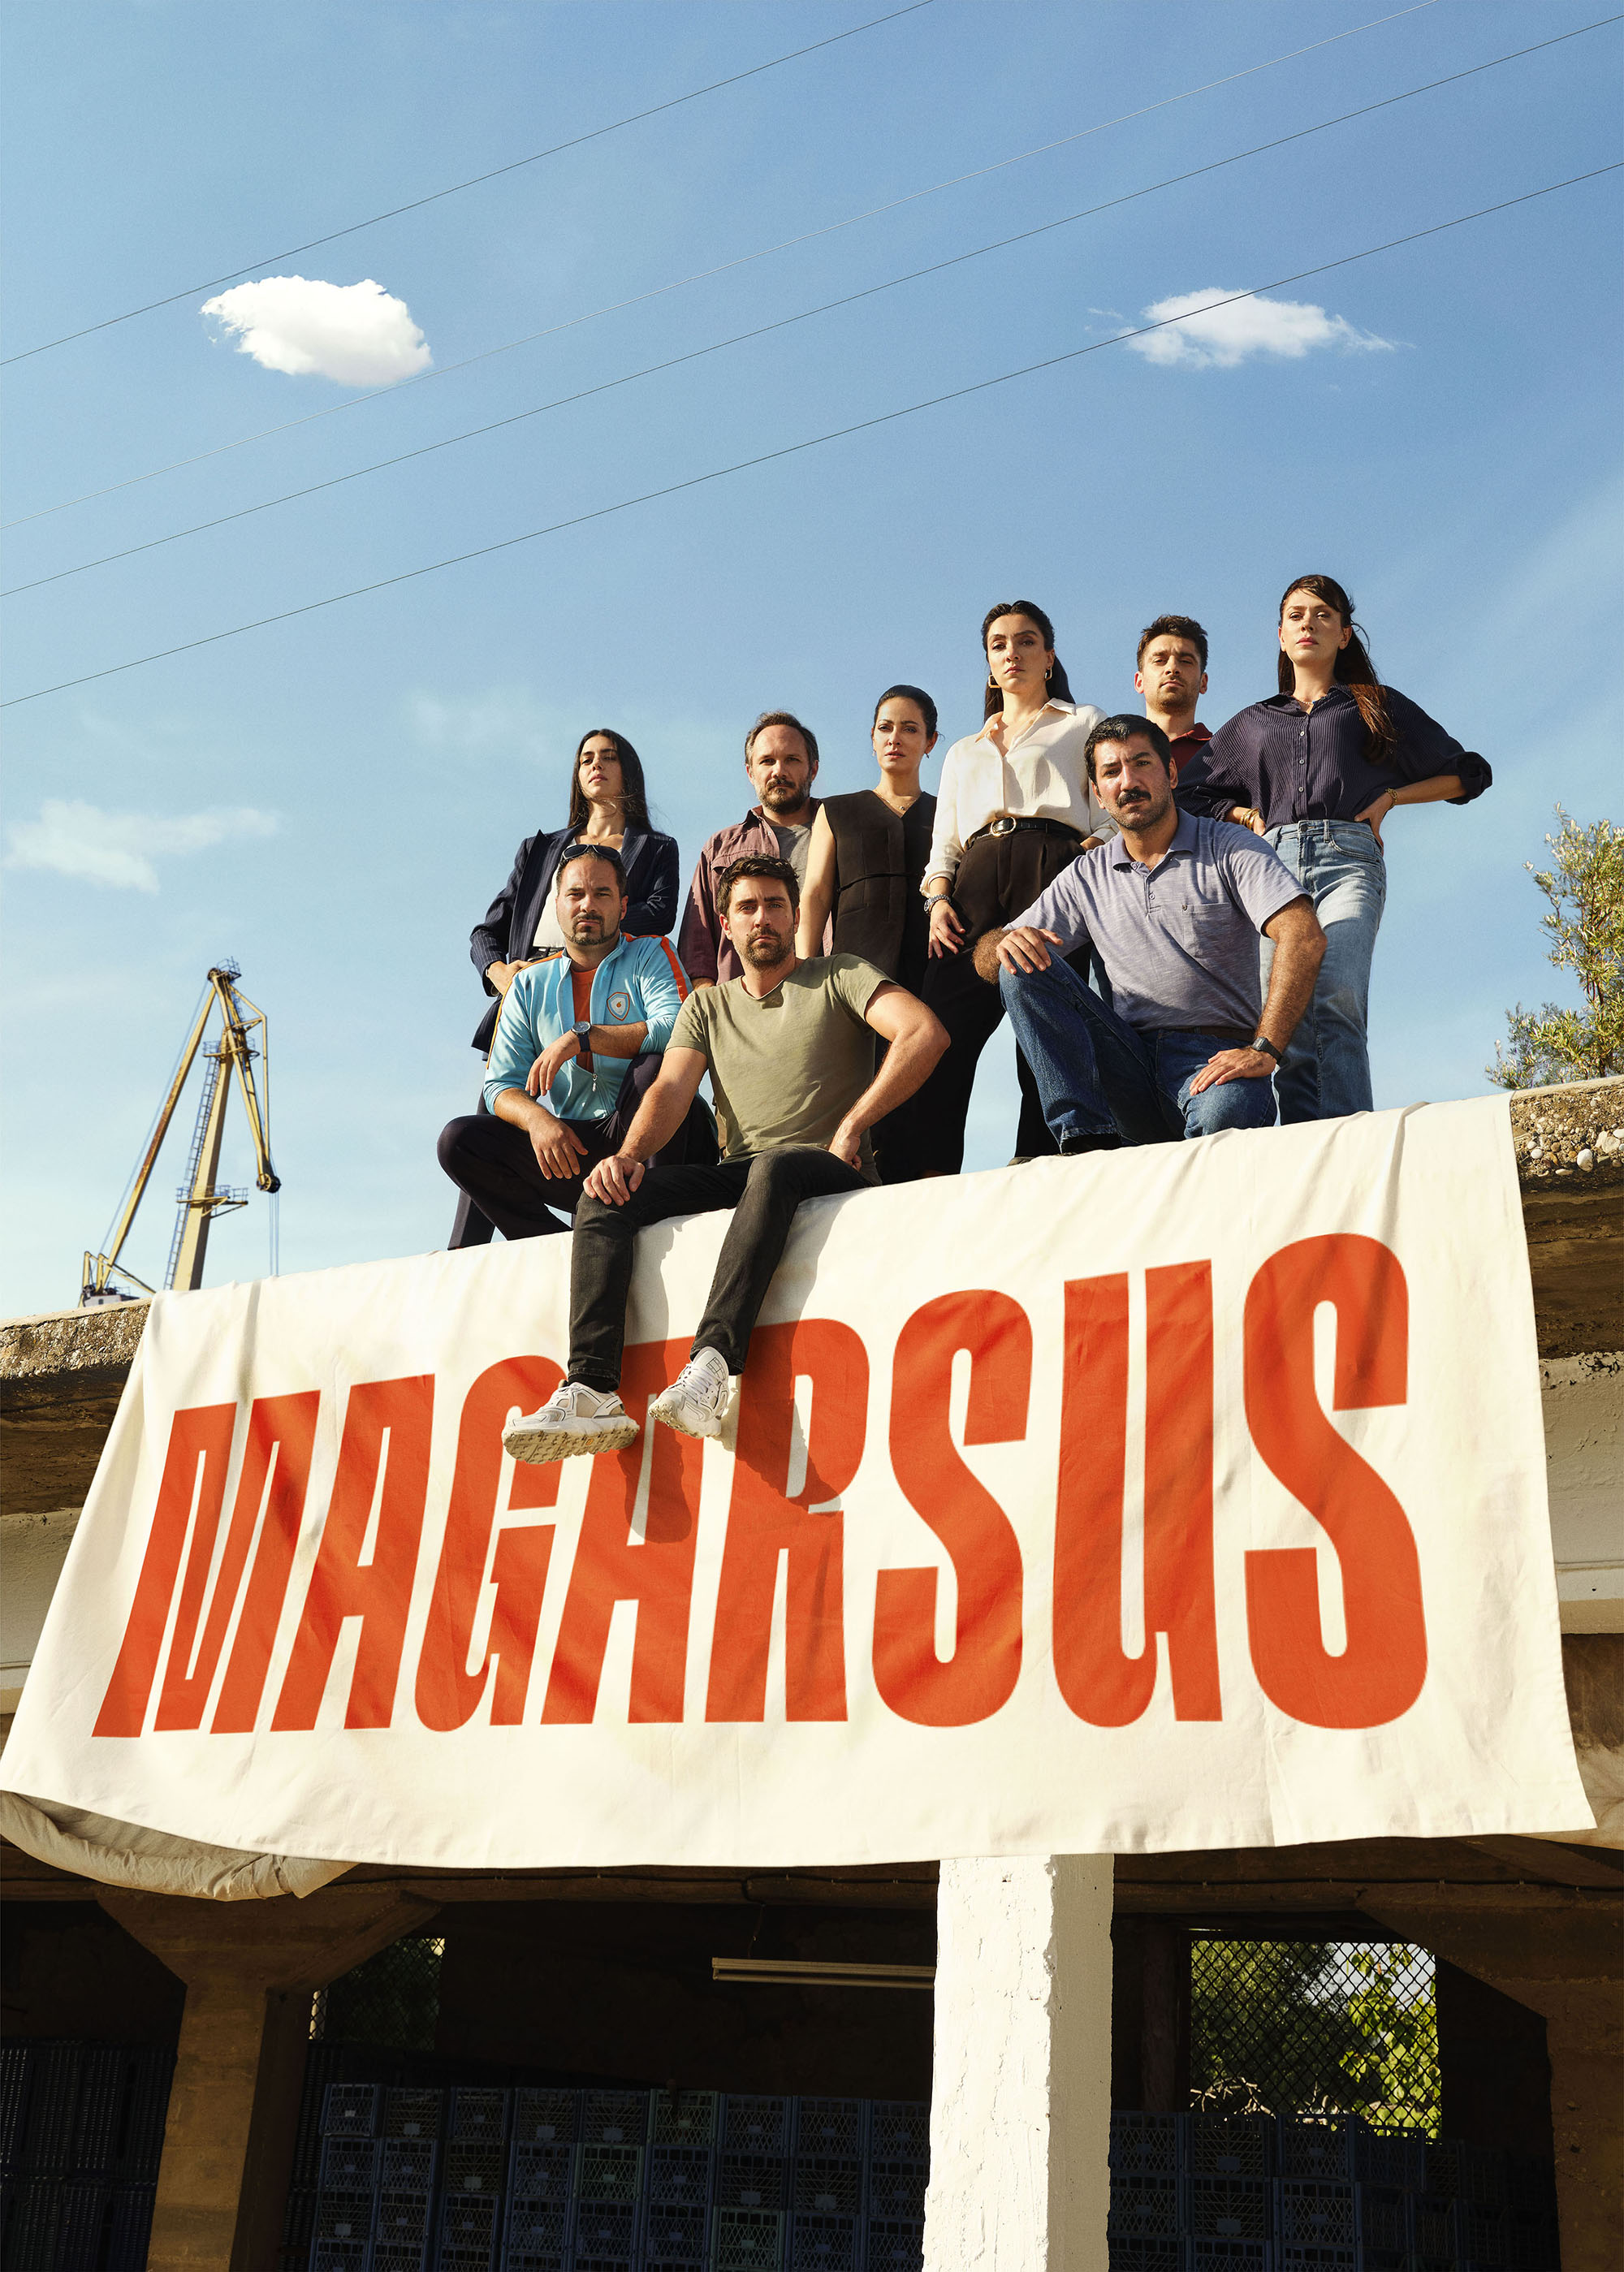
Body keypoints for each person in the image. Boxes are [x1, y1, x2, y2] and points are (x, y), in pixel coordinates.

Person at [502, 854, 947, 1463]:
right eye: (747, 907)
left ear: (796, 918)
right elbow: (670, 1089)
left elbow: (924, 1032)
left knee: (776, 1165)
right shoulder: (706, 1007)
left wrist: (853, 1126)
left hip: (826, 1164)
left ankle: (711, 1367)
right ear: (727, 925)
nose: (762, 918)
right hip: (742, 1172)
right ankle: (592, 1389)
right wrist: (628, 1156)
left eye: (775, 905)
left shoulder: (840, 974)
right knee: (603, 1195)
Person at [1175, 573, 1491, 1122]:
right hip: (1272, 870)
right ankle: (1307, 1143)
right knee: (1287, 1015)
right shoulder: (1252, 723)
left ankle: (1348, 1140)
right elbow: (1188, 793)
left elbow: (1469, 773)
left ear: (1344, 634)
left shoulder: (1375, 706)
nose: (1309, 624)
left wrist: (1392, 796)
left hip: (1349, 862)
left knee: (1337, 996)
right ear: (1280, 634)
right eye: (1296, 615)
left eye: (1323, 614)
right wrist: (1243, 815)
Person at [980, 715, 1325, 1150]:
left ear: (1172, 774)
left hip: (1215, 1058)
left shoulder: (1230, 846)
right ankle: (1086, 1143)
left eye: (1141, 763)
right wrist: (1001, 943)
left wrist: (1265, 1049)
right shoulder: (1087, 874)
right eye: (1111, 772)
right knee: (1017, 961)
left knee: (1226, 1114)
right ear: (1098, 794)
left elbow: (1303, 935)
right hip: (1125, 1062)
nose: (1128, 781)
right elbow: (988, 961)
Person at [454, 729, 680, 1246]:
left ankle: (632, 1208)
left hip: (615, 978)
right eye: (585, 759)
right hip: (532, 992)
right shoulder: (540, 850)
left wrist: (586, 937)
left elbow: (659, 913)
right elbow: (487, 931)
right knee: (495, 1111)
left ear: (628, 770)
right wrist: (501, 974)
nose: (596, 765)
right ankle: (472, 1250)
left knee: (652, 1071)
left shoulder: (653, 848)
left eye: (608, 757)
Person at [909, 602, 1111, 1173]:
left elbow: (1109, 818)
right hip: (973, 881)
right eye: (998, 644)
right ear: (989, 664)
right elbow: (945, 843)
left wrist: (1081, 863)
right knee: (942, 1026)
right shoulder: (963, 750)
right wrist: (938, 898)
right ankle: (927, 1169)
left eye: (1026, 641)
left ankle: (1040, 1155)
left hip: (1055, 868)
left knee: (1042, 1012)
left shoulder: (1083, 722)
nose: (1012, 653)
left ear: (1049, 656)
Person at [438, 844, 711, 1239]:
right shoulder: (529, 984)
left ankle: (657, 1224)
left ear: (623, 906)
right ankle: (556, 1246)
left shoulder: (652, 953)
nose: (588, 905)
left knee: (654, 1065)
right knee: (459, 1141)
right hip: (577, 1149)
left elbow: (679, 1029)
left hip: (660, 1140)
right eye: (576, 894)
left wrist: (583, 1038)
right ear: (556, 906)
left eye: (602, 894)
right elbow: (499, 1085)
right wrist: (538, 1121)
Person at [794, 684, 939, 1182]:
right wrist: (805, 969)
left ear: (930, 742)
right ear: (872, 738)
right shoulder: (837, 810)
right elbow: (815, 892)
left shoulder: (949, 812)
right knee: (855, 1089)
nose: (895, 738)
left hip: (933, 970)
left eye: (910, 729)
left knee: (929, 1100)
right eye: (885, 728)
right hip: (855, 975)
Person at [677, 711, 823, 987]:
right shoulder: (719, 849)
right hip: (740, 1004)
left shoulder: (841, 835)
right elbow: (697, 950)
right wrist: (711, 1004)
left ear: (813, 769)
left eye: (792, 759)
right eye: (767, 761)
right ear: (750, 773)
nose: (779, 771)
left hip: (826, 995)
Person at [1134, 614, 1213, 771]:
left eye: (1185, 661)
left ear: (1203, 682)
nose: (1172, 668)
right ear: (1139, 681)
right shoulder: (1115, 754)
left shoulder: (1225, 754)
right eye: (1159, 660)